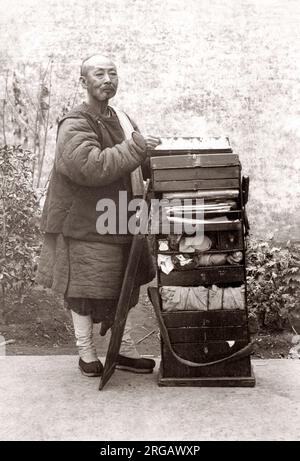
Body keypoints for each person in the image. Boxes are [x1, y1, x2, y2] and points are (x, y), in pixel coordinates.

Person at [36, 54, 161, 377]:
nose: (107, 79)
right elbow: (89, 166)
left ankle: (123, 349)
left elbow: (135, 159)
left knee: (124, 286)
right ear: (83, 82)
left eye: (112, 73)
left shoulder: (121, 117)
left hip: (119, 216)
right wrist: (137, 148)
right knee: (86, 289)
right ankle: (86, 352)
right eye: (99, 74)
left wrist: (156, 159)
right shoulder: (75, 122)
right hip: (84, 223)